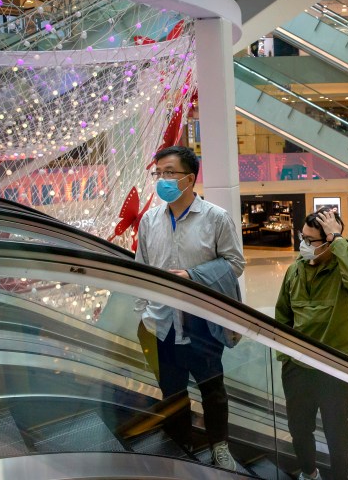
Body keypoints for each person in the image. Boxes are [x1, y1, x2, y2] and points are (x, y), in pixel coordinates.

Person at [135, 146, 244, 471]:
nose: (162, 180)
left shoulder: (215, 218)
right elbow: (141, 268)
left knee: (213, 390)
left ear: (190, 178)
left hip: (202, 323)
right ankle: (180, 446)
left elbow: (235, 263)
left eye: (170, 173)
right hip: (161, 325)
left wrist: (193, 276)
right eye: (158, 173)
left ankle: (219, 446)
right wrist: (142, 313)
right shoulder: (150, 220)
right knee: (172, 392)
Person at [276, 208, 348, 480]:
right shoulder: (295, 271)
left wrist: (339, 239)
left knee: (336, 430)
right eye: (302, 238)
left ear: (329, 243)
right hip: (298, 368)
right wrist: (287, 357)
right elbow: (283, 315)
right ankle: (309, 473)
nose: (303, 245)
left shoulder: (342, 273)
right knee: (299, 427)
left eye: (311, 240)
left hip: (336, 368)